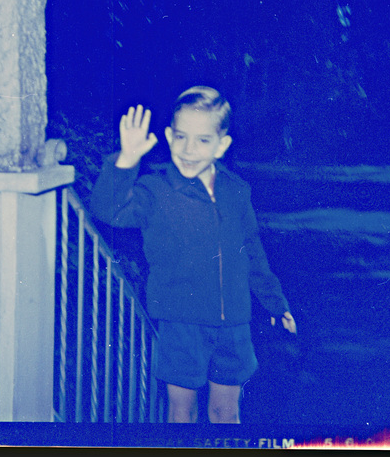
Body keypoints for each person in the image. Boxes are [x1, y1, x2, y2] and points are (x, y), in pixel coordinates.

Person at [90, 86, 296, 423]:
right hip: (181, 321)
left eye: (202, 140)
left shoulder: (236, 190)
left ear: (222, 144)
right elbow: (106, 211)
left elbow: (253, 253)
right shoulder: (154, 190)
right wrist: (126, 160)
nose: (188, 149)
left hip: (234, 324)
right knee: (182, 411)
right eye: (181, 137)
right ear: (169, 136)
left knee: (226, 411)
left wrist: (275, 302)